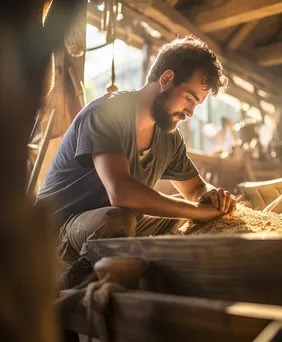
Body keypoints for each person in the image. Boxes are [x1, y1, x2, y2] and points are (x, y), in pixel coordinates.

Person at [36, 36, 237, 288]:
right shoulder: (107, 113)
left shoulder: (170, 137)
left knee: (181, 221)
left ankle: (148, 289)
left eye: (196, 104)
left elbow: (195, 190)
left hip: (110, 227)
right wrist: (197, 210)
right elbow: (121, 193)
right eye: (189, 98)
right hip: (55, 232)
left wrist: (211, 197)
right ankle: (64, 291)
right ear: (166, 80)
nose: (190, 112)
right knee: (118, 219)